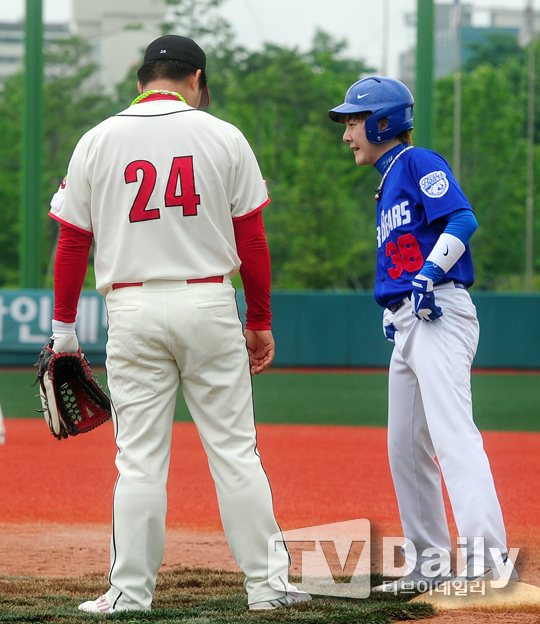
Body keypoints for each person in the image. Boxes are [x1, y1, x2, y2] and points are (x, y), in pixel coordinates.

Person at [48, 34, 311, 613]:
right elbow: (252, 240)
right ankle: (268, 587)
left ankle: (129, 594)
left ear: (141, 80)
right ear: (196, 80)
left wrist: (63, 330)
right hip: (209, 302)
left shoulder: (97, 139)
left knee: (139, 461)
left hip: (132, 307)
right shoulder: (224, 135)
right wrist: (259, 319)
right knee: (236, 452)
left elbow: (72, 242)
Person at [328, 76, 516, 592]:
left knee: (452, 436)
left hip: (438, 312)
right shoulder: (388, 181)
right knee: (406, 449)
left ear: (383, 123)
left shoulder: (416, 161)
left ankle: (488, 561)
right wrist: (394, 304)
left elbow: (462, 219)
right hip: (409, 319)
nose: (347, 134)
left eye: (354, 122)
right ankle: (428, 565)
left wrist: (430, 272)